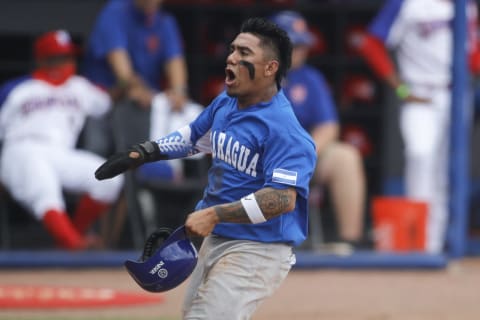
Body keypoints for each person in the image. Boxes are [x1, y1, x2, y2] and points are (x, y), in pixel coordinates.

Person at [95, 17, 317, 319]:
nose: (232, 58)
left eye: (244, 53)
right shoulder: (226, 102)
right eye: (233, 49)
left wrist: (215, 214)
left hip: (258, 249)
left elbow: (281, 199)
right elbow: (194, 138)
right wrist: (144, 152)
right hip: (215, 238)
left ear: (270, 68)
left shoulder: (286, 131)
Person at [351, 0, 480, 253]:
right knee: (421, 157)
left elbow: (473, 56)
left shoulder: (467, 6)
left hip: (456, 95)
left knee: (447, 171)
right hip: (420, 94)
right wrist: (400, 87)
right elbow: (371, 44)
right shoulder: (407, 3)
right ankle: (420, 245)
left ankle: (441, 243)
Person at [0, 30, 124, 250]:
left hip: (60, 153)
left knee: (110, 178)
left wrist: (129, 87)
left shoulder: (80, 86)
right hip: (21, 149)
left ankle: (72, 236)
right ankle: (74, 244)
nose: (65, 63)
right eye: (57, 57)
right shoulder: (17, 88)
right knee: (43, 184)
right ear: (42, 59)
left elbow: (110, 100)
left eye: (68, 57)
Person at [271, 11, 367, 249]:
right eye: (294, 45)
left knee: (345, 157)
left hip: (301, 157)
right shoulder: (250, 76)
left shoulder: (310, 78)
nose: (300, 51)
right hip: (259, 159)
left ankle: (348, 242)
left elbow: (329, 126)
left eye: (303, 45)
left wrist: (304, 152)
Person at [81, 0, 188, 156]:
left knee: (183, 115)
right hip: (106, 99)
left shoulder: (164, 20)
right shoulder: (116, 11)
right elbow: (123, 73)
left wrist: (179, 92)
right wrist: (137, 88)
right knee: (99, 150)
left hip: (147, 102)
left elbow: (175, 62)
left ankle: (169, 173)